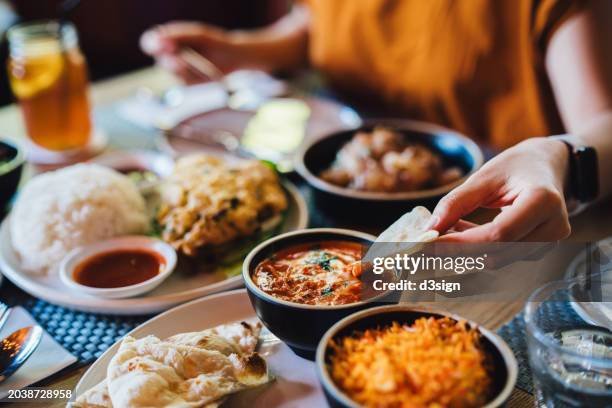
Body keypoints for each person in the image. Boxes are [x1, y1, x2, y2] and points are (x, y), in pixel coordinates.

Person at [140, 0, 612, 242]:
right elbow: (321, 30)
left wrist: (558, 156)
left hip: (504, 235)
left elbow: (603, 121)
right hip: (336, 214)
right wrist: (240, 51)